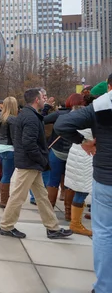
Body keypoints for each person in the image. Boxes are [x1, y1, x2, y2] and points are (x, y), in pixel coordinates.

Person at [55, 74, 112, 293]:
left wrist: (84, 142)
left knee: (104, 232)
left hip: (106, 178)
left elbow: (62, 124)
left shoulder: (100, 107)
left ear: (109, 87)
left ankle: (104, 287)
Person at [0, 88, 72, 240]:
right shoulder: (31, 118)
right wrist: (42, 160)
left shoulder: (28, 115)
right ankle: (6, 226)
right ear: (36, 100)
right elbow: (29, 143)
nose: (45, 99)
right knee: (18, 196)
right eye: (43, 97)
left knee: (42, 197)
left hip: (31, 163)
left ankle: (53, 228)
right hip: (29, 163)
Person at [62, 94, 94, 236]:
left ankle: (74, 219)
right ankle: (75, 223)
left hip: (76, 153)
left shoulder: (74, 116)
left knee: (78, 188)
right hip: (85, 157)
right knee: (81, 191)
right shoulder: (88, 118)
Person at [0, 96, 19, 208]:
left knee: (4, 174)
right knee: (6, 175)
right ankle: (4, 201)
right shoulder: (12, 119)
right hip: (9, 148)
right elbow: (14, 138)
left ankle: (4, 199)